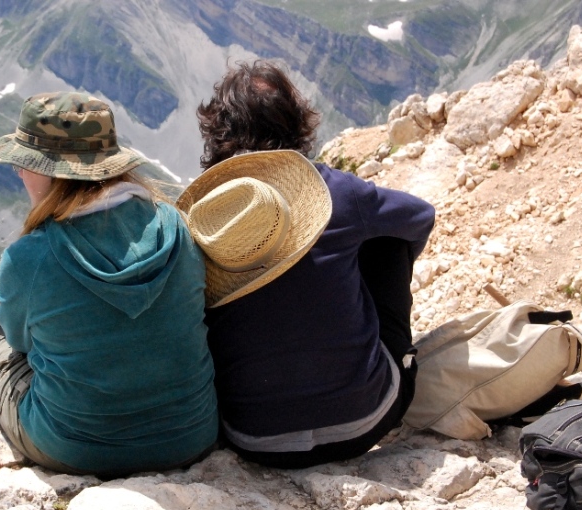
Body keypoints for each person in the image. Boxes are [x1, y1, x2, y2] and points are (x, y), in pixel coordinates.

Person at [0, 92, 218, 478]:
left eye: (23, 164)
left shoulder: (30, 256)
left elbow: (20, 344)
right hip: (191, 437)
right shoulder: (176, 225)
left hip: (77, 447)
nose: (19, 173)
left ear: (49, 171)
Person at [176, 61, 435, 469]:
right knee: (385, 239)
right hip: (365, 421)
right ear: (297, 123)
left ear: (217, 132)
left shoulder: (204, 220)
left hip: (254, 438)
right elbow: (419, 217)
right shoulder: (337, 191)